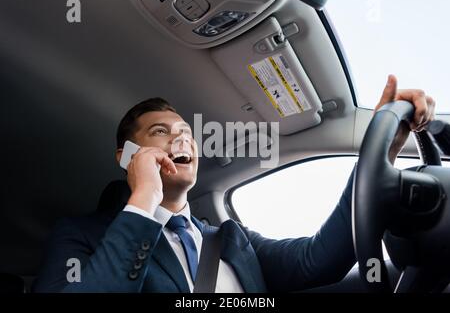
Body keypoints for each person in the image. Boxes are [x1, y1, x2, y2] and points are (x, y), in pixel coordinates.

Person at [33, 75, 435, 292]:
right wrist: (143, 201)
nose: (182, 138)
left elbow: (319, 260)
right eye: (161, 131)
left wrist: (378, 152)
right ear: (125, 156)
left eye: (186, 131)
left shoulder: (231, 239)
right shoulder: (81, 237)